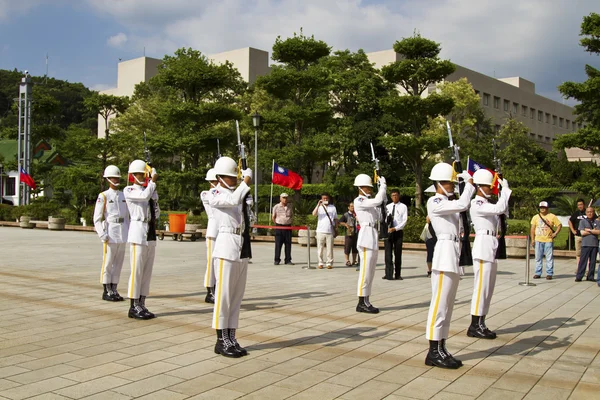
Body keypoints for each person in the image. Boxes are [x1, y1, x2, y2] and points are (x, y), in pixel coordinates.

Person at [425, 162, 475, 369]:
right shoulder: (435, 201)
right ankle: (433, 350)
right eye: (449, 182)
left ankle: (442, 346)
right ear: (439, 184)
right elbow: (463, 205)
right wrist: (470, 185)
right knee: (439, 304)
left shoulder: (449, 201)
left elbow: (462, 209)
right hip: (444, 254)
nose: (453, 186)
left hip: (453, 255)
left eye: (453, 183)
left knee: (447, 305)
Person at [209, 156, 252, 358]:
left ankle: (231, 337)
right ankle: (220, 340)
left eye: (235, 176)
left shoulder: (238, 193)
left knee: (236, 297)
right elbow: (233, 200)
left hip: (241, 246)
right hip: (226, 247)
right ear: (220, 177)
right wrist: (245, 184)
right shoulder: (215, 193)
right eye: (230, 177)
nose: (234, 179)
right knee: (223, 296)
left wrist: (247, 196)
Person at [467, 169, 512, 339]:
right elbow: (499, 207)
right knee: (481, 288)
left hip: (491, 245)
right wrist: (505, 190)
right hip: (483, 245)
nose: (490, 189)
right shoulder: (477, 204)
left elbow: (502, 211)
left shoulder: (487, 204)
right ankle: (474, 324)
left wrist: (501, 193)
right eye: (487, 186)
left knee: (488, 288)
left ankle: (481, 322)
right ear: (478, 187)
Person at [124, 160, 159, 320]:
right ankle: (133, 305)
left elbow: (155, 208)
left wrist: (153, 189)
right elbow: (144, 197)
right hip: (138, 232)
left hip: (149, 231)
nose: (142, 177)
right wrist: (152, 182)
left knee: (147, 272)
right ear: (133, 176)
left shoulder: (148, 189)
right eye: (139, 174)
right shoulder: (129, 189)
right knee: (137, 271)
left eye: (143, 174)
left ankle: (142, 303)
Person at [93, 165, 130, 302]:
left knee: (119, 263)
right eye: (114, 177)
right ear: (108, 179)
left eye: (118, 177)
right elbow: (97, 218)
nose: (116, 179)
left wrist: (129, 232)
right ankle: (106, 289)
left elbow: (127, 217)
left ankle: (114, 288)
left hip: (122, 232)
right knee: (108, 263)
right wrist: (102, 234)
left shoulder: (123, 195)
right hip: (110, 232)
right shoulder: (103, 196)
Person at [353, 173, 387, 313]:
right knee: (365, 271)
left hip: (372, 235)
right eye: (367, 187)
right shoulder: (359, 200)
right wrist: (383, 186)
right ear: (360, 188)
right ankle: (361, 302)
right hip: (366, 236)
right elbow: (376, 201)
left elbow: (379, 212)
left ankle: (366, 299)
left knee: (371, 271)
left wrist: (383, 201)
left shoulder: (368, 202)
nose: (370, 189)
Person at [530, 201, 562, 280]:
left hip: (548, 240)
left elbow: (559, 225)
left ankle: (549, 273)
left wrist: (555, 233)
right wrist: (533, 239)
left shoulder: (552, 216)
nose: (542, 209)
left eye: (544, 207)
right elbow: (532, 229)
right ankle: (538, 272)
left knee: (549, 257)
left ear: (547, 208)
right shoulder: (535, 217)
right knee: (538, 257)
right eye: (541, 207)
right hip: (538, 240)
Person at [201, 168, 218, 304]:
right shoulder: (206, 193)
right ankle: (209, 290)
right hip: (213, 232)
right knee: (211, 262)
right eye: (215, 181)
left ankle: (217, 287)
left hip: (223, 232)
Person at [383, 189, 408, 280]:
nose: (394, 197)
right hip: (389, 231)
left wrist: (395, 228)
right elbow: (384, 219)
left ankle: (398, 274)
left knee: (398, 253)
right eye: (393, 195)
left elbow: (404, 220)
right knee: (388, 253)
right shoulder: (388, 206)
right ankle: (388, 273)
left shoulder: (403, 207)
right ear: (391, 196)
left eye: (396, 195)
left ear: (399, 196)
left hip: (397, 231)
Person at [312, 193, 338, 269]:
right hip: (320, 230)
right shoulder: (319, 207)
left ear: (329, 199)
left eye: (326, 198)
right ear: (321, 199)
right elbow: (313, 214)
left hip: (330, 231)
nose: (325, 200)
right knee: (320, 248)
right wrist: (318, 205)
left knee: (330, 248)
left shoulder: (333, 207)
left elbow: (336, 218)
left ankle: (329, 263)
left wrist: (336, 228)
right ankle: (320, 262)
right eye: (324, 198)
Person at [576, 207, 600, 282]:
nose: (590, 213)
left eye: (591, 212)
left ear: (593, 212)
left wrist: (589, 230)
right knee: (583, 261)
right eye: (588, 212)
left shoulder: (597, 222)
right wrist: (593, 231)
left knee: (592, 262)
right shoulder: (583, 221)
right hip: (585, 244)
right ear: (586, 213)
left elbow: (598, 232)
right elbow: (582, 233)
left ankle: (590, 276)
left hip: (594, 244)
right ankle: (579, 276)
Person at [272, 193, 293, 265]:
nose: (285, 199)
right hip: (279, 227)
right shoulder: (276, 207)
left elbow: (292, 215)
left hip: (288, 227)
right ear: (280, 198)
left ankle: (288, 260)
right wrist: (277, 224)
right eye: (283, 198)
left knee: (288, 244)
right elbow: (273, 217)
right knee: (278, 244)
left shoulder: (290, 206)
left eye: (286, 198)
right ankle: (277, 259)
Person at [339, 202, 359, 267]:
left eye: (354, 206)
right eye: (351, 206)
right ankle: (347, 260)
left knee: (355, 247)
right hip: (349, 233)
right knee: (347, 247)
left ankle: (354, 260)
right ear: (348, 207)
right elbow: (340, 222)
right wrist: (345, 224)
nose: (353, 208)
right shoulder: (346, 215)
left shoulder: (357, 214)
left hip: (356, 232)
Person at [569, 199, 586, 271]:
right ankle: (579, 268)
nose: (580, 206)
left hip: (587, 236)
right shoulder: (576, 213)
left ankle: (587, 269)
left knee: (586, 254)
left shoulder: (588, 212)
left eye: (581, 204)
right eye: (578, 205)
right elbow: (570, 221)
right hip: (578, 236)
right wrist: (573, 230)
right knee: (578, 253)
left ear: (584, 204)